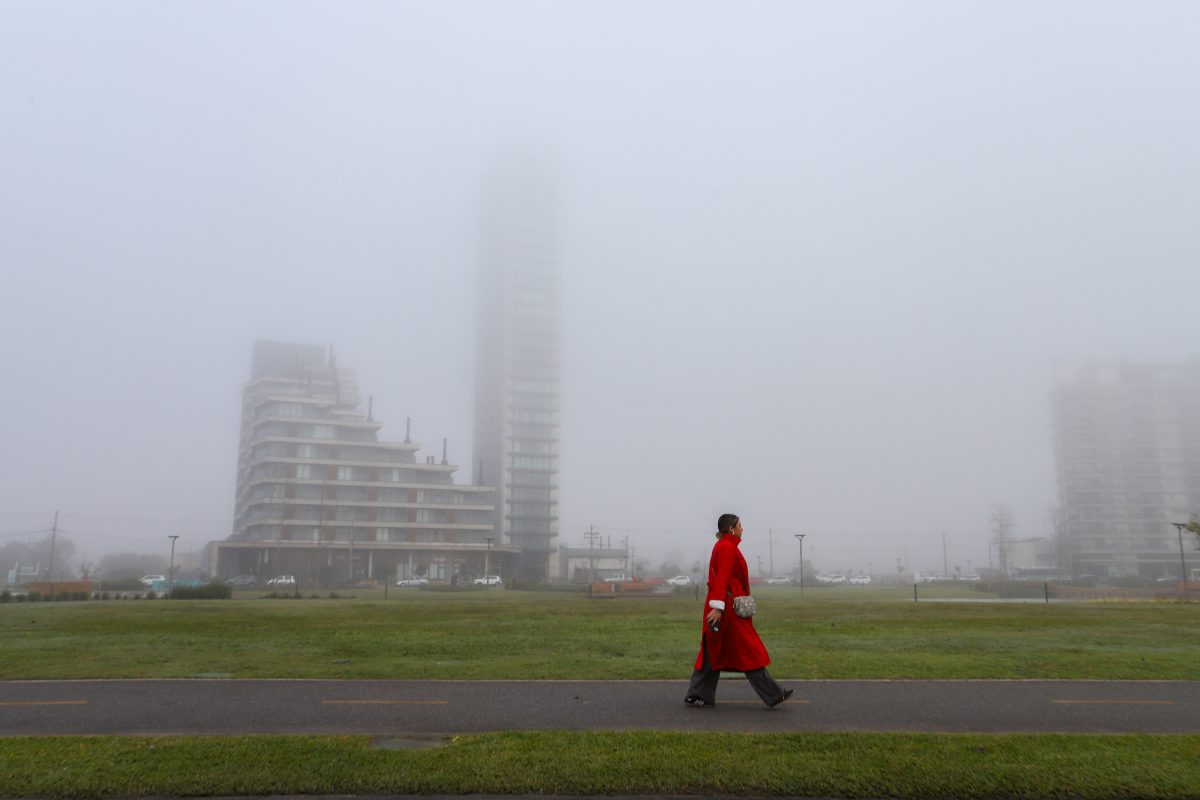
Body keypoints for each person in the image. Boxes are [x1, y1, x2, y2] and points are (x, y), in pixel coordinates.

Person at [685, 513, 792, 708]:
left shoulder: (726, 546)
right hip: (727, 612)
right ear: (731, 529)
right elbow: (722, 578)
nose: (743, 529)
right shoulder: (727, 548)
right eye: (740, 525)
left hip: (724, 608)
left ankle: (698, 693)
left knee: (712, 650)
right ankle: (773, 694)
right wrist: (717, 609)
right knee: (748, 651)